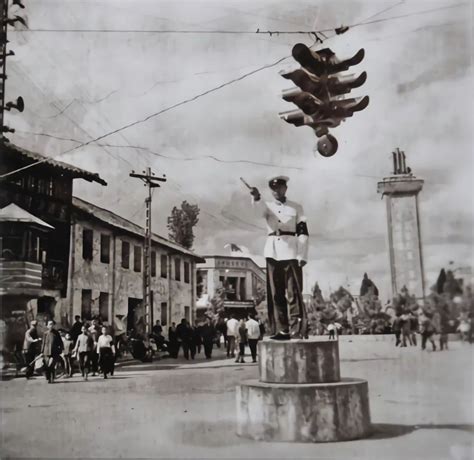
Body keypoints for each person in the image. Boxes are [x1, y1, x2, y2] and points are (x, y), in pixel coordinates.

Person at [249, 175, 309, 340]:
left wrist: (302, 254)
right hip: (273, 251)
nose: (277, 191)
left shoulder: (296, 207)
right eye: (273, 189)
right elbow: (257, 212)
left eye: (280, 188)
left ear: (285, 189)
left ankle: (297, 329)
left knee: (293, 292)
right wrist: (256, 197)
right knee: (276, 293)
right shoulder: (266, 206)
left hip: (291, 251)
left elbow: (303, 231)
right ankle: (282, 329)